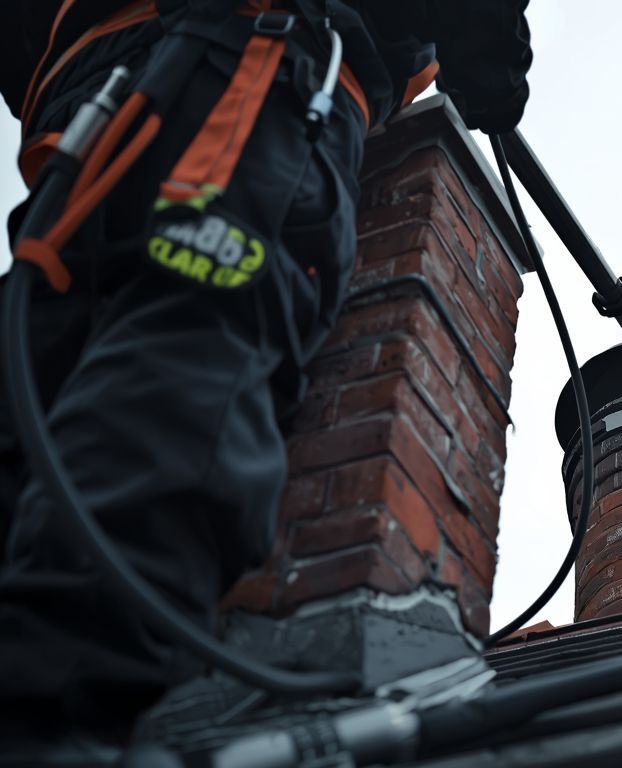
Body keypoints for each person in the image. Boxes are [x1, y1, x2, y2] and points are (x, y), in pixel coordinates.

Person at [0, 0, 530, 761]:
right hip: (251, 66)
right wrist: (485, 48)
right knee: (192, 361)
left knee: (41, 383)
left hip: (96, 101)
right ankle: (53, 715)